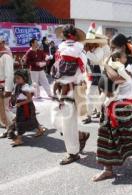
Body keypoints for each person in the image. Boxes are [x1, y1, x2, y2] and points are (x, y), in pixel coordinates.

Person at [92, 33, 132, 182]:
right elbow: (105, 81)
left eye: (113, 47)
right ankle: (107, 169)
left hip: (125, 105)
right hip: (110, 104)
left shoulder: (131, 63)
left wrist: (106, 65)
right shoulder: (112, 61)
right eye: (111, 47)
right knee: (107, 138)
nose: (111, 50)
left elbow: (118, 79)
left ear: (122, 47)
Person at [51, 24, 90, 165]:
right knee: (56, 120)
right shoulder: (75, 50)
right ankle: (80, 136)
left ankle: (73, 153)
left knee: (67, 123)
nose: (66, 37)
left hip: (70, 90)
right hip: (65, 88)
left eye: (67, 34)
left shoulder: (71, 51)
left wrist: (61, 81)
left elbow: (78, 72)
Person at [82, 23, 110, 124]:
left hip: (99, 76)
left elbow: (97, 60)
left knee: (93, 96)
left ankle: (92, 115)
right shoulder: (90, 51)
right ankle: (99, 113)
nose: (87, 45)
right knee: (95, 96)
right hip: (92, 76)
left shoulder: (99, 49)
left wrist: (87, 52)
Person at [10, 70, 46, 147]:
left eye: (18, 78)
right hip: (21, 107)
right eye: (15, 78)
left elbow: (29, 99)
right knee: (31, 119)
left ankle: (19, 139)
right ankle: (40, 130)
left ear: (24, 78)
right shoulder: (18, 85)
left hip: (26, 106)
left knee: (20, 122)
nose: (16, 80)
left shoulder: (25, 87)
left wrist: (20, 103)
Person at [0, 37, 14, 138]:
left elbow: (9, 74)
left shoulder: (6, 56)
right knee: (1, 110)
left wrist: (8, 89)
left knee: (6, 109)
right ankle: (8, 127)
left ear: (3, 43)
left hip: (4, 86)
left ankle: (11, 128)